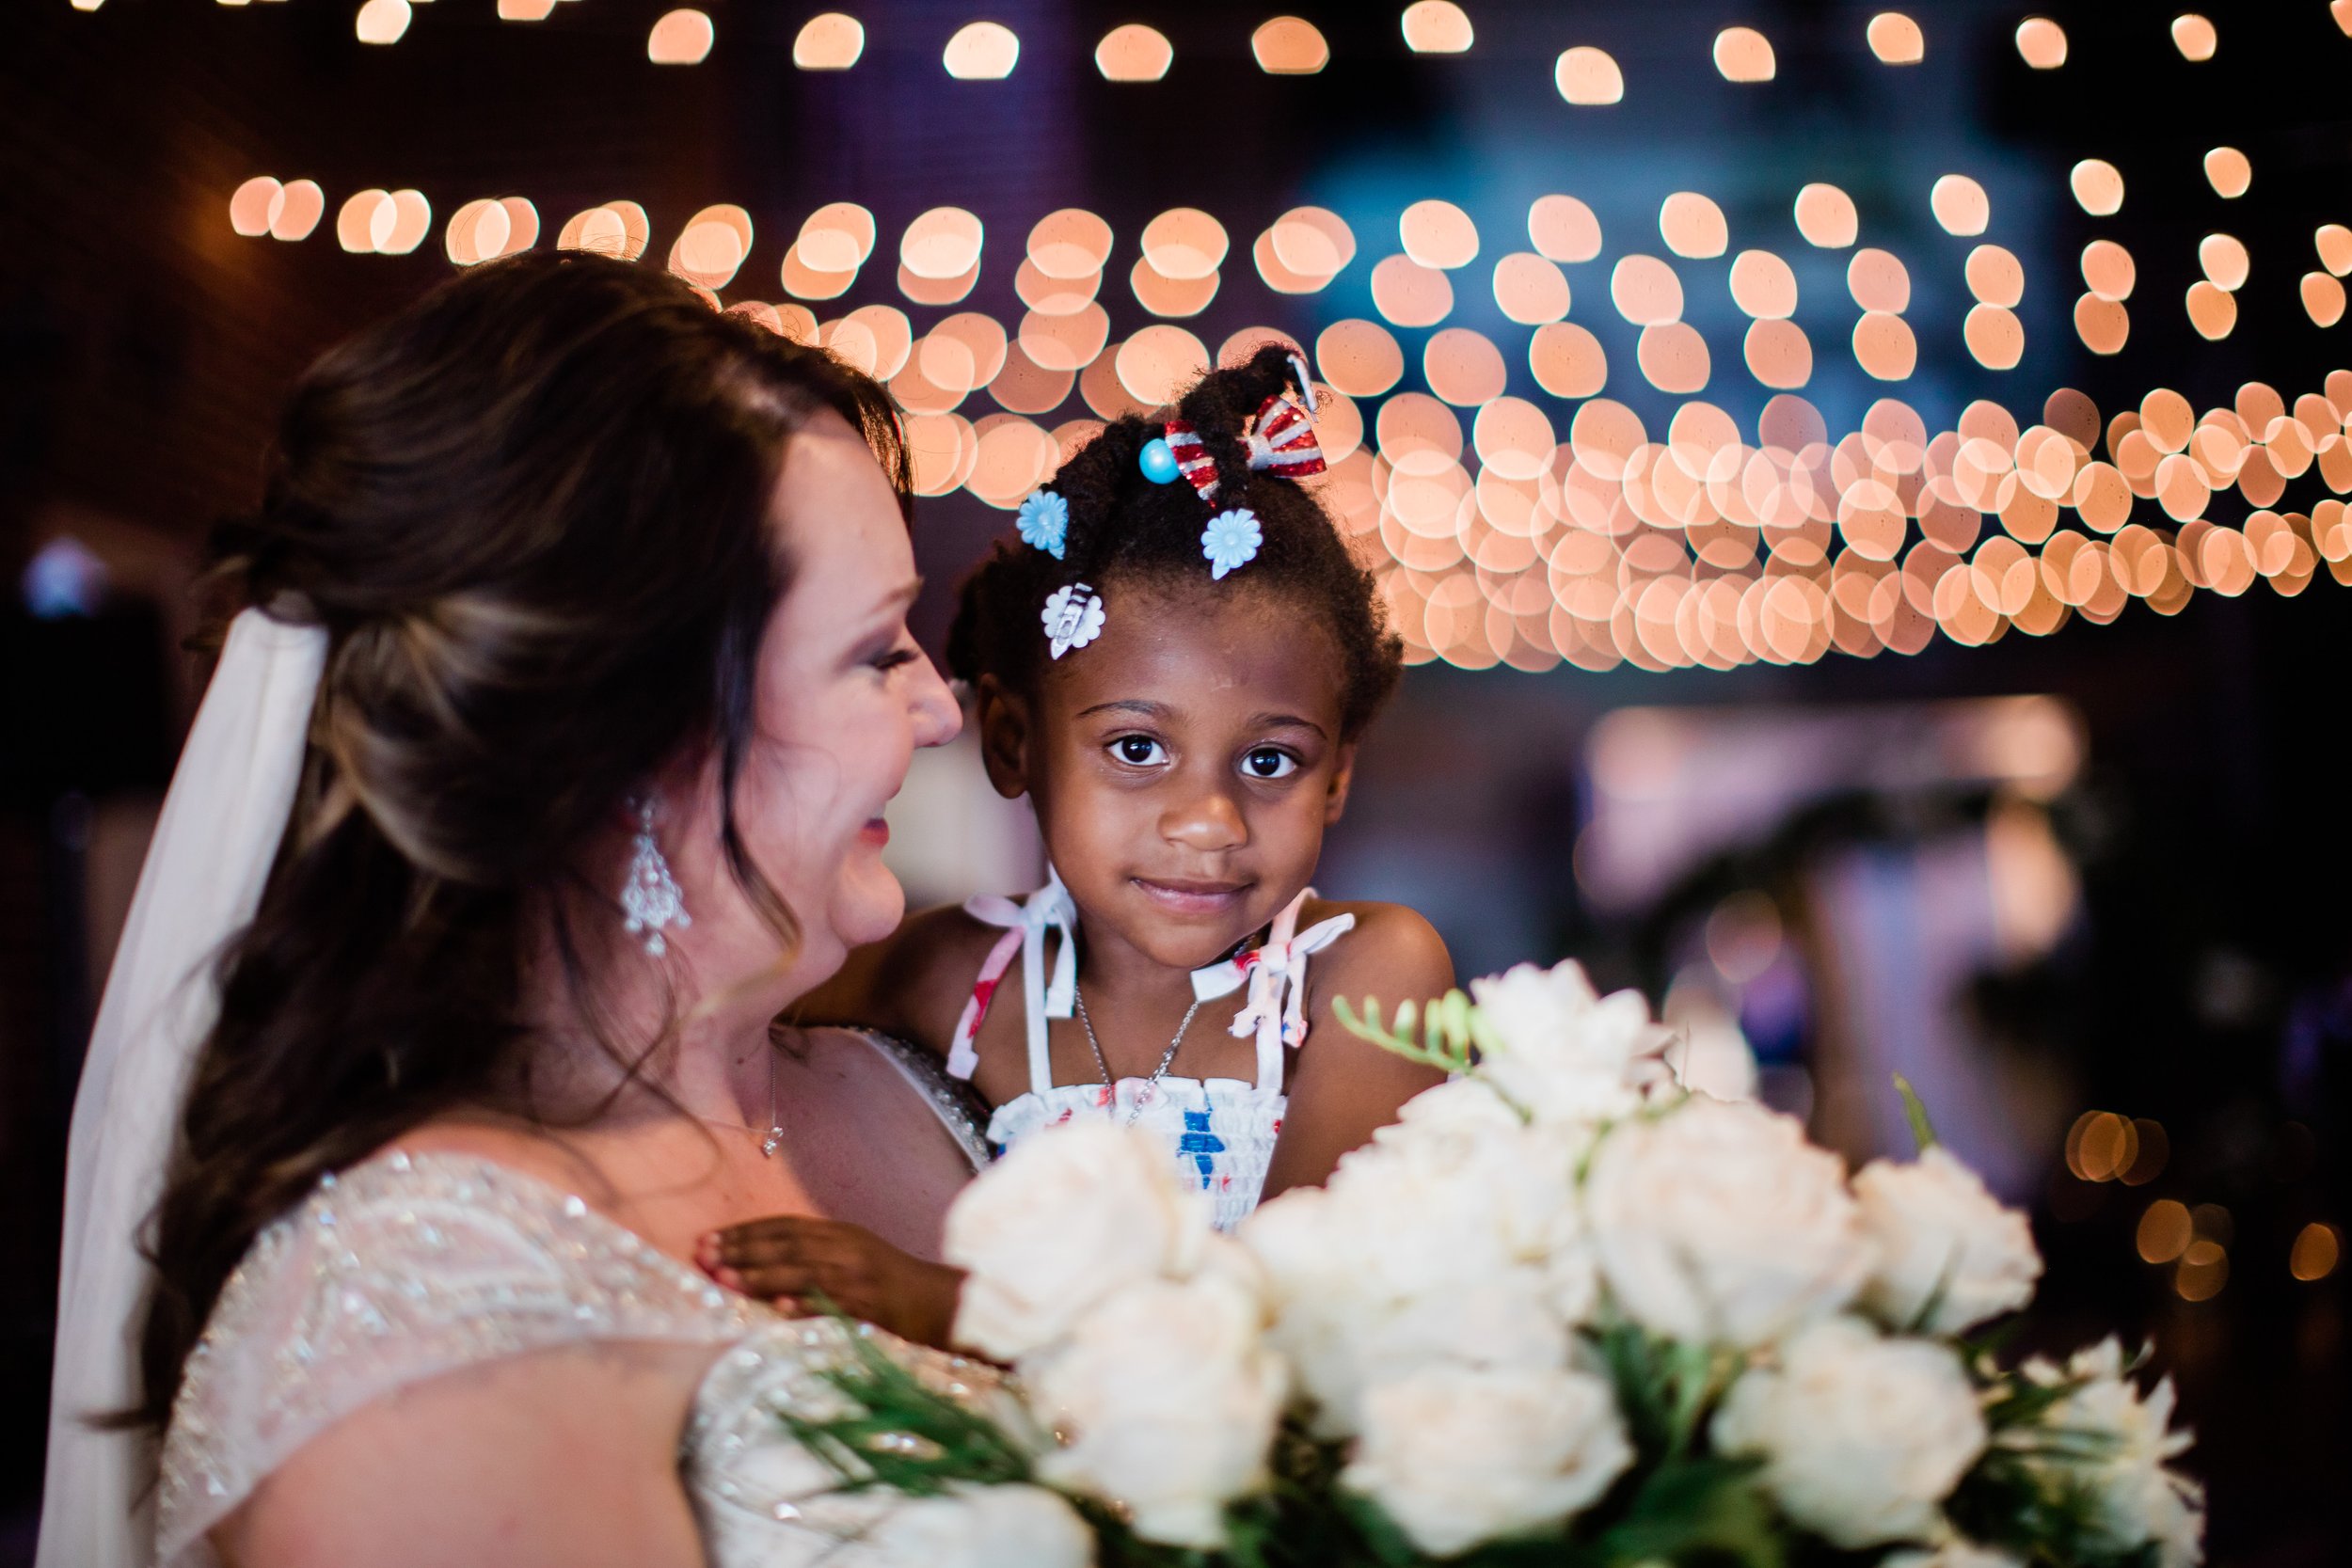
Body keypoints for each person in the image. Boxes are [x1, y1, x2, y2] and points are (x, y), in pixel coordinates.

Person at [38, 251, 997, 1568]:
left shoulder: (921, 1082)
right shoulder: (421, 1304)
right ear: (629, 748)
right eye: (877, 649)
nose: (942, 705)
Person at [707, 349, 1453, 1321]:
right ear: (1014, 744)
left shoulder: (1360, 980)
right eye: (1137, 747)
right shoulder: (947, 976)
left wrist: (945, 1303)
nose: (1207, 820)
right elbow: (710, 1025)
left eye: (1270, 762)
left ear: (1338, 773)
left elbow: (1290, 1323)